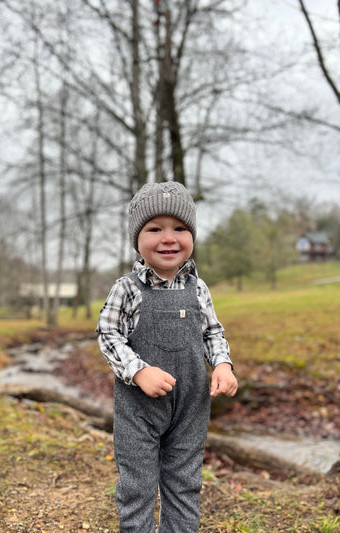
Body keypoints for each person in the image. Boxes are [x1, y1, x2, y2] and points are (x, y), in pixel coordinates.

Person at [97, 181, 237, 533]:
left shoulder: (198, 288)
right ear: (137, 239)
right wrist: (138, 370)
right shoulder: (127, 288)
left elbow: (212, 333)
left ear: (192, 235)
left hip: (189, 407)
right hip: (138, 410)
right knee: (138, 486)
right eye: (154, 228)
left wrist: (221, 363)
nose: (168, 238)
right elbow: (108, 335)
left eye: (180, 228)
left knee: (185, 482)